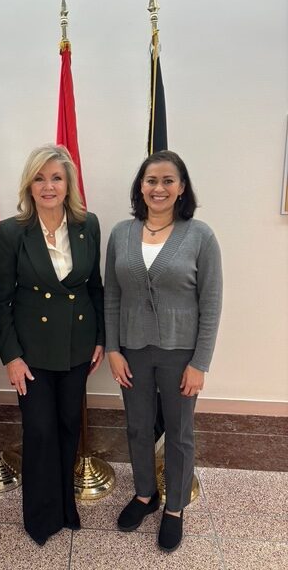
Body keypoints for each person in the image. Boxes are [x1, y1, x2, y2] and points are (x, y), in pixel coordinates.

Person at [104, 150, 222, 553]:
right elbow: (111, 296)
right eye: (151, 180)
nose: (159, 188)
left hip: (180, 354)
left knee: (179, 431)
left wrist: (200, 363)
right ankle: (144, 494)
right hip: (132, 351)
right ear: (141, 186)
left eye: (168, 180)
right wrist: (113, 349)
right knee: (138, 426)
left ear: (182, 187)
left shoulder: (200, 236)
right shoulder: (121, 233)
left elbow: (211, 303)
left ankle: (175, 507)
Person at [0, 144, 105, 546]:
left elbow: (95, 287)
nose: (48, 186)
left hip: (78, 345)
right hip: (32, 352)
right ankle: (41, 517)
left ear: (68, 184)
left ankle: (65, 507)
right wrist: (11, 356)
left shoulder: (88, 224)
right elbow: (1, 299)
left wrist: (100, 338)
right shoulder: (12, 231)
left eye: (56, 178)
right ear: (29, 185)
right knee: (40, 430)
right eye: (40, 178)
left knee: (68, 425)